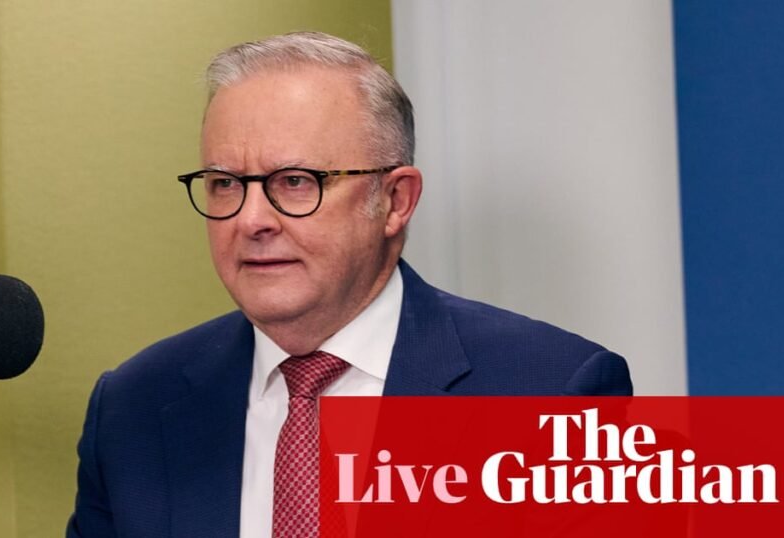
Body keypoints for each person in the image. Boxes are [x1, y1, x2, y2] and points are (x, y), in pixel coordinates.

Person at [66, 31, 632, 538]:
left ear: (395, 201)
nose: (251, 219)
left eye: (295, 181)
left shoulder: (555, 394)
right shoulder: (135, 407)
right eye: (225, 184)